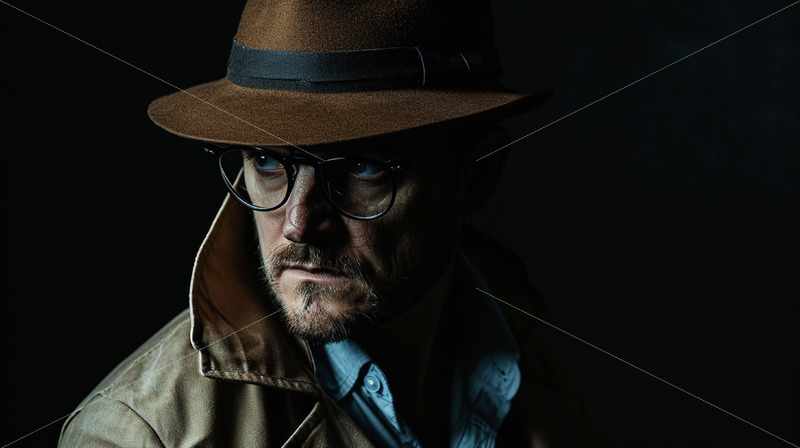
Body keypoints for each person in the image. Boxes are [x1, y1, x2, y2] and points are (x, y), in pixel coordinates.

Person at [58, 0, 600, 446]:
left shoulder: (530, 373)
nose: (298, 223)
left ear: (476, 177)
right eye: (267, 162)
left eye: (361, 167)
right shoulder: (143, 435)